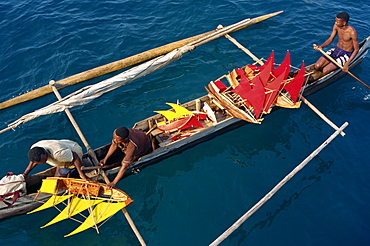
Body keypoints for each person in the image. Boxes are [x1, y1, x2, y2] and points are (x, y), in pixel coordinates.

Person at [23, 139, 90, 181]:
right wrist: (25, 173)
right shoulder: (35, 149)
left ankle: (72, 170)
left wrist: (81, 174)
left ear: (45, 152)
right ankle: (61, 168)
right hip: (66, 144)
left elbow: (75, 157)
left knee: (63, 173)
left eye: (45, 160)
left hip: (74, 150)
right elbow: (33, 161)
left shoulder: (58, 154)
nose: (45, 162)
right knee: (58, 172)